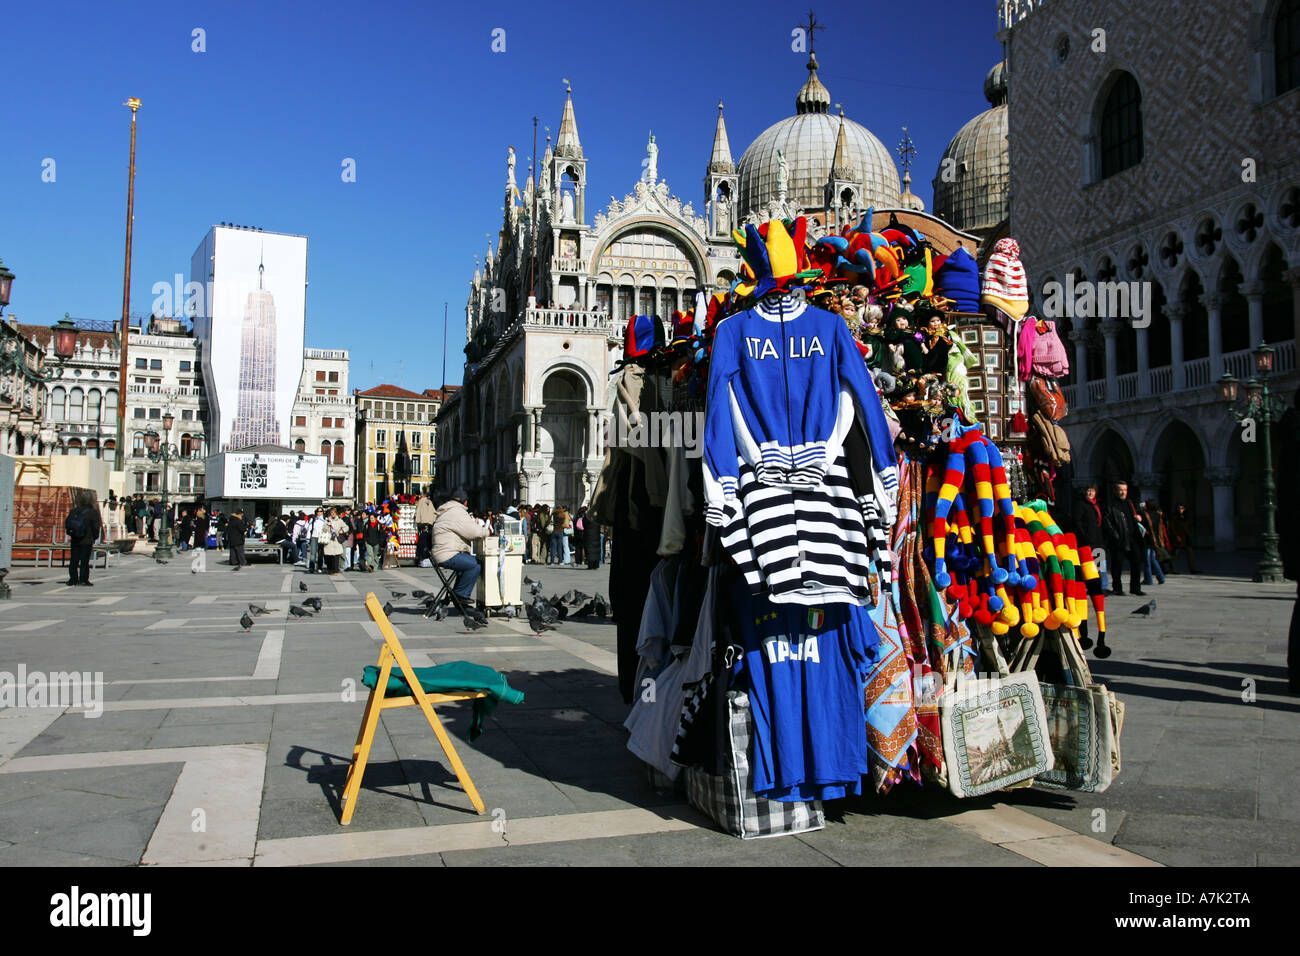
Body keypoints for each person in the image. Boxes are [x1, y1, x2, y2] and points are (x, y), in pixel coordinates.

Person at [433, 488, 488, 604]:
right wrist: (487, 532)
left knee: (468, 563)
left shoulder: (448, 510)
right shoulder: (457, 512)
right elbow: (474, 532)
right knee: (475, 565)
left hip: (443, 552)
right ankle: (460, 595)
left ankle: (457, 594)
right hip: (447, 554)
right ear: (465, 502)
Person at [1102, 481, 1145, 597]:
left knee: (1136, 562)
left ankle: (1135, 588)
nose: (1123, 492)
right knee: (1117, 565)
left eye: (1125, 490)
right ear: (1115, 491)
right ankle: (1117, 588)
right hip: (1119, 539)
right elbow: (1107, 523)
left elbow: (1133, 518)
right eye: (1120, 490)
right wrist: (1115, 536)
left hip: (1132, 538)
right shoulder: (1110, 505)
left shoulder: (1129, 503)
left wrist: (1138, 518)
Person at [64, 490, 102, 587]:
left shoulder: (74, 510)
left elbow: (67, 523)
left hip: (75, 538)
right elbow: (96, 527)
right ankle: (83, 579)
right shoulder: (93, 512)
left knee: (74, 560)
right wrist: (95, 536)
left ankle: (73, 579)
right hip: (87, 539)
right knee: (84, 561)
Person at [1074, 485, 1108, 592]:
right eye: (1088, 491)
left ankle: (1103, 586)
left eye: (1092, 491)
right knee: (1088, 565)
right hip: (1087, 540)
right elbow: (1077, 521)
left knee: (1101, 564)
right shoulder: (1081, 504)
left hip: (1098, 539)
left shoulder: (1096, 505)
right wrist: (1084, 535)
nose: (1090, 493)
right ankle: (1088, 587)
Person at [1142, 500, 1170, 585]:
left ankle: (1148, 579)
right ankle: (1161, 577)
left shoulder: (1146, 515)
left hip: (1148, 540)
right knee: (1153, 559)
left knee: (1147, 560)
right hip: (1157, 540)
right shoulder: (1159, 514)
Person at [1167, 503, 1197, 574]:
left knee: (1190, 553)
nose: (1181, 510)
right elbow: (1172, 527)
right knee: (1174, 554)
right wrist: (1176, 536)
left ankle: (1193, 569)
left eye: (1182, 508)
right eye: (1179, 508)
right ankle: (1171, 569)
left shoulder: (1185, 516)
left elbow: (1187, 526)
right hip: (1178, 537)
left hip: (1185, 537)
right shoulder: (1174, 517)